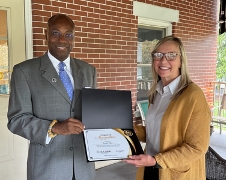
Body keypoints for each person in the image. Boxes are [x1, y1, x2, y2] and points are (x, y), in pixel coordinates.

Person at [7, 14, 96, 180]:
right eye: (55, 33)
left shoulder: (88, 70)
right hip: (47, 168)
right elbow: (16, 120)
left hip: (84, 166)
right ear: (46, 34)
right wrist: (54, 128)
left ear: (73, 38)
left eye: (68, 34)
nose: (62, 40)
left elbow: (94, 113)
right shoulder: (24, 71)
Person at [123, 36, 211, 180]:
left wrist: (157, 161)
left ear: (181, 61)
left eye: (171, 55)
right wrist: (126, 130)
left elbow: (197, 148)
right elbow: (157, 132)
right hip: (149, 166)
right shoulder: (156, 92)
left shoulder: (193, 95)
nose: (163, 60)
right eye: (158, 55)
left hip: (175, 172)